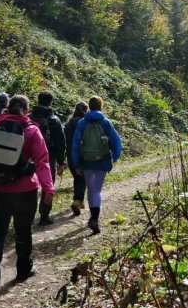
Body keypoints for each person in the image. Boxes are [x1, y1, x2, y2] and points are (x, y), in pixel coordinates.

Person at [0, 94, 54, 299]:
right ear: (26, 110)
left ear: (7, 108)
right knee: (23, 230)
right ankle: (23, 269)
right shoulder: (31, 130)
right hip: (24, 191)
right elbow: (42, 161)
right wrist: (48, 188)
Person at [71, 96, 122, 234]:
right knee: (97, 190)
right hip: (102, 160)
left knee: (91, 188)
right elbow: (115, 140)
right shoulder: (105, 122)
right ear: (100, 106)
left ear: (90, 106)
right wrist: (115, 155)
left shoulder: (82, 123)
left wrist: (76, 163)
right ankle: (94, 218)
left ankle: (92, 217)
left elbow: (75, 144)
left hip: (86, 161)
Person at [30, 91, 66, 226]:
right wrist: (61, 162)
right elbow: (60, 142)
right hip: (48, 157)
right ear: (51, 102)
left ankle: (27, 214)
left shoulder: (28, 117)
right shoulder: (54, 120)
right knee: (47, 186)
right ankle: (44, 216)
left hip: (29, 157)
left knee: (30, 186)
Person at [64, 101, 88, 216]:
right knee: (81, 178)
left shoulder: (68, 124)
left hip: (70, 154)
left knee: (77, 177)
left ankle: (80, 200)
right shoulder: (85, 123)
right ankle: (77, 201)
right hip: (82, 154)